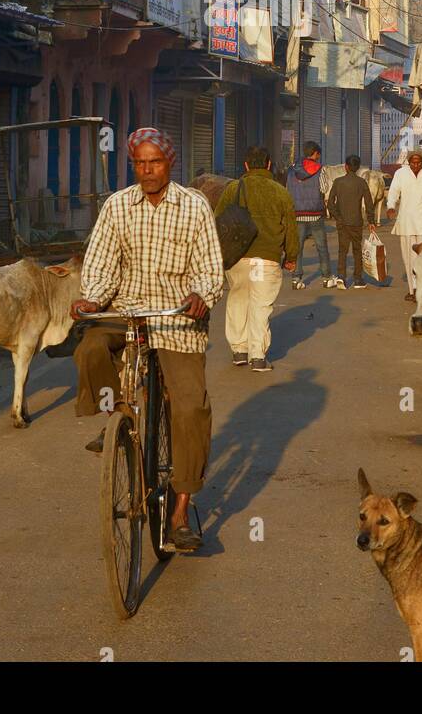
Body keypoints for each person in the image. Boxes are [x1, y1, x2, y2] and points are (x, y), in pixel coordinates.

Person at [70, 127, 224, 552]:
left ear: (169, 163)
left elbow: (210, 267)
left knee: (191, 408)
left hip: (177, 318)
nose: (147, 170)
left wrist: (201, 296)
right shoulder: (117, 206)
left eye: (154, 162)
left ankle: (179, 514)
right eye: (140, 162)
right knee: (89, 349)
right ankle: (117, 416)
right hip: (128, 310)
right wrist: (92, 298)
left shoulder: (194, 206)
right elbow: (101, 262)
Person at [214, 146, 298, 372]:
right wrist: (291, 256)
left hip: (237, 259)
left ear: (246, 165)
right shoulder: (281, 192)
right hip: (266, 260)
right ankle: (258, 357)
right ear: (269, 165)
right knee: (261, 306)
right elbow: (291, 227)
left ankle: (239, 350)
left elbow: (218, 221)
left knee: (237, 300)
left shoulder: (233, 188)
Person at [386, 149, 422, 302]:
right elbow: (393, 192)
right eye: (413, 162)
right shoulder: (400, 174)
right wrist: (391, 206)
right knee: (409, 258)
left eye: (418, 162)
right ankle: (413, 290)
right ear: (408, 162)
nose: (415, 165)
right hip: (406, 222)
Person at [286, 141, 339, 290]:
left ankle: (296, 279)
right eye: (318, 154)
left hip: (297, 214)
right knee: (322, 247)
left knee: (298, 248)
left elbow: (287, 189)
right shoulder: (319, 169)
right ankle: (327, 277)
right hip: (315, 214)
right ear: (315, 153)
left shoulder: (291, 170)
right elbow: (324, 188)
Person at [326, 154, 377, 290]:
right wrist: (371, 220)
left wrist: (338, 217)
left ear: (346, 167)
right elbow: (369, 203)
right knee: (357, 250)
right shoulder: (361, 183)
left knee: (342, 251)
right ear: (358, 168)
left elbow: (330, 203)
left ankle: (341, 277)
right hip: (356, 222)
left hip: (342, 222)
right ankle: (358, 279)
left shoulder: (338, 182)